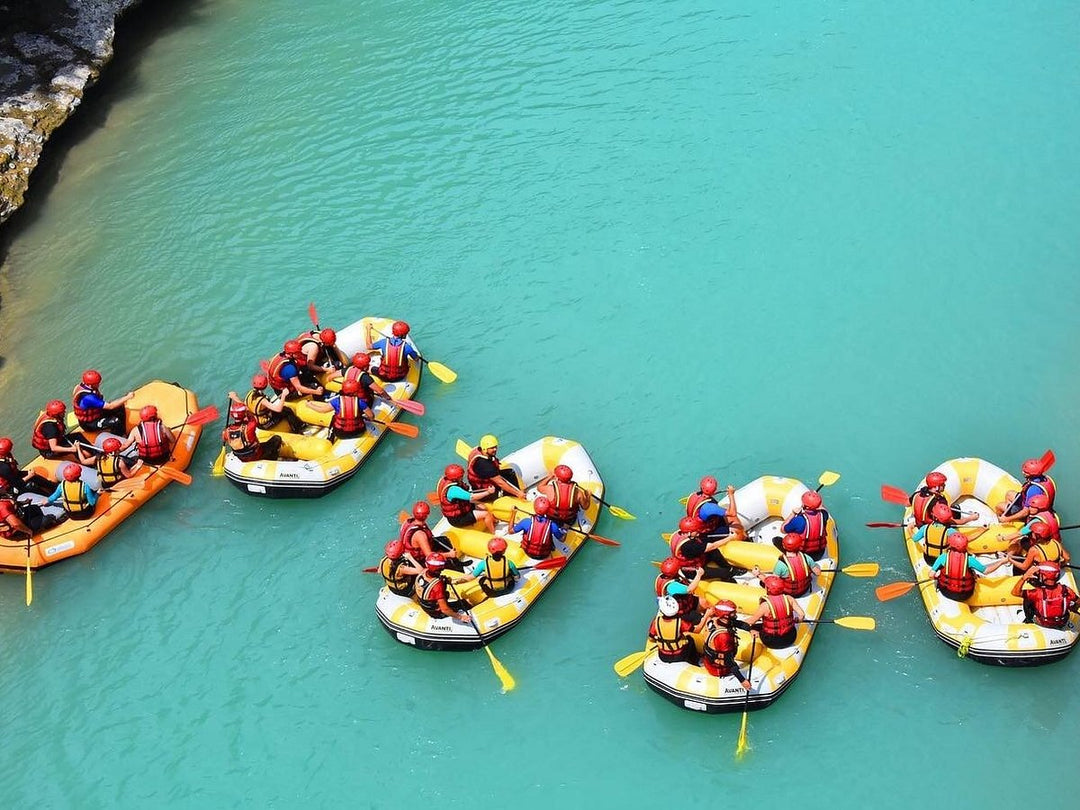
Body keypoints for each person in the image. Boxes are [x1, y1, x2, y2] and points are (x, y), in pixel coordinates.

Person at [931, 534, 1007, 602]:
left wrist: (937, 577)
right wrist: (1001, 562)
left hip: (946, 591)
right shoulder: (970, 559)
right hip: (965, 594)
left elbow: (931, 575)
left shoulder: (943, 557)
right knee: (973, 573)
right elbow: (986, 571)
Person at [696, 601, 752, 688]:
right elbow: (728, 661)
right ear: (725, 615)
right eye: (733, 612)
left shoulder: (715, 620)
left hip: (708, 660)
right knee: (728, 661)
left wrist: (750, 630)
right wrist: (742, 680)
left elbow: (738, 623)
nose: (736, 613)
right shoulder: (723, 637)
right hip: (719, 669)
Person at [1011, 563, 1080, 629]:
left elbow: (1015, 592)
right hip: (1062, 622)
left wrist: (1024, 577)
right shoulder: (1066, 590)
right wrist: (1073, 608)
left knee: (1027, 599)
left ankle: (1029, 620)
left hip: (1043, 623)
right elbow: (1078, 601)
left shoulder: (1037, 592)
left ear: (1043, 576)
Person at [399, 501, 463, 571]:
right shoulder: (420, 535)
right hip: (420, 560)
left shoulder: (407, 522)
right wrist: (449, 554)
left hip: (418, 551)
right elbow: (429, 555)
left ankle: (458, 562)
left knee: (444, 540)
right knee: (447, 561)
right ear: (426, 515)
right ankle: (458, 570)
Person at [669, 515, 736, 581]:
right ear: (689, 532)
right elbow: (712, 546)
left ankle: (728, 567)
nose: (698, 532)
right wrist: (730, 538)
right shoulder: (688, 546)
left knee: (713, 551)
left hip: (696, 558)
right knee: (724, 573)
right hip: (693, 570)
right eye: (696, 530)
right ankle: (730, 575)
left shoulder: (681, 535)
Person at [746, 576, 805, 649]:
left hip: (771, 642)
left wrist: (736, 622)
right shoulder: (789, 599)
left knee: (753, 627)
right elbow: (802, 615)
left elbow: (751, 621)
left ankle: (753, 632)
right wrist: (797, 619)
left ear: (767, 589)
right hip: (790, 638)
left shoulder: (765, 605)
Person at [435, 464, 497, 532]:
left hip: (463, 509)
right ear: (456, 478)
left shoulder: (445, 480)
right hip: (458, 519)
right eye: (461, 476)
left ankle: (494, 521)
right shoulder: (453, 490)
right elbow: (472, 497)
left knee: (483, 507)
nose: (462, 477)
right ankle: (494, 532)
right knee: (486, 514)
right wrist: (488, 492)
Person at [756, 533, 821, 598]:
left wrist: (758, 574)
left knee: (761, 583)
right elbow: (818, 573)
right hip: (805, 589)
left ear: (783, 546)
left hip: (789, 594)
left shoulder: (780, 565)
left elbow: (772, 584)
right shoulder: (806, 558)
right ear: (799, 546)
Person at [412, 554, 471, 623]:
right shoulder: (437, 586)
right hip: (437, 613)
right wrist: (460, 617)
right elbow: (444, 610)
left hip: (426, 607)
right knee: (465, 603)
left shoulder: (423, 572)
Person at [71, 369, 133, 434]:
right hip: (89, 424)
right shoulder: (89, 398)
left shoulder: (78, 387)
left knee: (119, 407)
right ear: (90, 385)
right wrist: (128, 397)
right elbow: (110, 406)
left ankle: (124, 428)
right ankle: (120, 436)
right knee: (116, 421)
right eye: (97, 384)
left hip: (96, 413)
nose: (98, 385)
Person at [235, 375, 304, 433]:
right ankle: (298, 429)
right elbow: (278, 409)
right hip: (265, 424)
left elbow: (245, 405)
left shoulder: (250, 394)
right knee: (287, 411)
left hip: (258, 422)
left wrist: (235, 397)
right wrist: (283, 395)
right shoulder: (262, 400)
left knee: (284, 410)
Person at [221, 403, 288, 462]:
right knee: (277, 439)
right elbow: (253, 417)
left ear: (231, 415)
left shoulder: (226, 432)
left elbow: (225, 439)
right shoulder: (250, 426)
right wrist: (247, 411)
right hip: (256, 455)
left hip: (241, 457)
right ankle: (272, 459)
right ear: (244, 413)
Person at [466, 435, 525, 500]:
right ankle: (516, 497)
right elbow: (500, 483)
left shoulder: (477, 451)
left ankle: (517, 491)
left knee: (510, 472)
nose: (495, 449)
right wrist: (517, 493)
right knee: (504, 489)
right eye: (492, 448)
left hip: (484, 477)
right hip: (484, 490)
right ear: (485, 449)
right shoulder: (485, 465)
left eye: (495, 447)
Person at [910, 472, 976, 527]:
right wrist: (971, 518)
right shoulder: (938, 501)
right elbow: (951, 521)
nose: (944, 485)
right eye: (942, 484)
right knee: (956, 509)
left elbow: (909, 503)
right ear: (936, 487)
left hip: (920, 524)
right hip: (931, 527)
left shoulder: (916, 494)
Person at [781, 490, 831, 559]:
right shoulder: (824, 514)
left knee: (776, 540)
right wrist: (816, 498)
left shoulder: (799, 520)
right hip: (819, 553)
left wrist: (793, 513)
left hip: (803, 554)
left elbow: (783, 530)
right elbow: (823, 508)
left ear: (805, 505)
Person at [654, 557, 707, 623]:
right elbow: (690, 589)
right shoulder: (672, 586)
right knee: (701, 619)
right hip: (681, 612)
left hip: (683, 601)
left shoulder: (663, 577)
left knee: (704, 602)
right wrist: (699, 575)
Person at [648, 595, 697, 664]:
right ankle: (695, 662)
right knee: (690, 640)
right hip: (680, 655)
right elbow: (696, 631)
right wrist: (707, 616)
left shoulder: (656, 622)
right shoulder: (680, 622)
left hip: (663, 656)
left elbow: (651, 639)